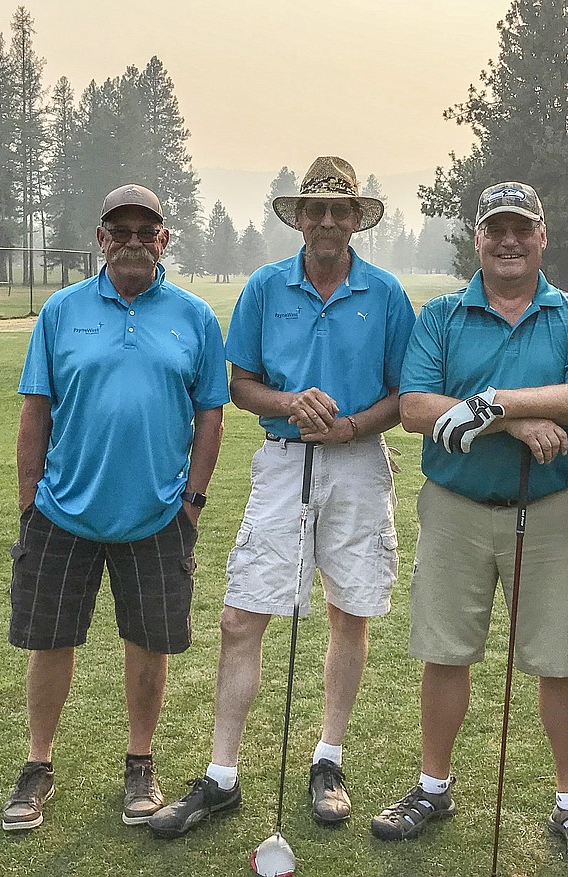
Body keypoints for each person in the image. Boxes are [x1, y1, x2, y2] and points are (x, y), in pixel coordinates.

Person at [149, 156, 415, 837]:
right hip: (283, 459)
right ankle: (222, 775)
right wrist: (291, 402)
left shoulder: (385, 295)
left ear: (357, 220)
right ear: (299, 218)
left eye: (340, 210)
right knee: (242, 616)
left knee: (347, 611)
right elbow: (241, 384)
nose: (327, 221)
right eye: (315, 210)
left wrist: (352, 424)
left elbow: (405, 395)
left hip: (357, 461)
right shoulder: (267, 288)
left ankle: (328, 759)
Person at [371, 182, 568, 873]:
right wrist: (514, 421)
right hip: (455, 509)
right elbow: (418, 407)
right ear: (476, 239)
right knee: (445, 651)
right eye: (495, 230)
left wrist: (488, 402)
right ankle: (433, 788)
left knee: (560, 658)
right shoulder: (443, 315)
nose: (508, 241)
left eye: (522, 229)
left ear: (543, 236)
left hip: (546, 510)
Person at [2, 184, 228, 831]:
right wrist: (29, 506)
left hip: (157, 516)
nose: (132, 240)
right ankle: (38, 764)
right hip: (62, 511)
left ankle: (140, 761)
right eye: (118, 229)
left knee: (148, 643)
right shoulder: (62, 312)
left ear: (164, 240)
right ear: (100, 239)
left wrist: (192, 505)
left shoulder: (194, 317)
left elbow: (211, 416)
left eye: (144, 230)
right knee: (50, 642)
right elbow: (34, 412)